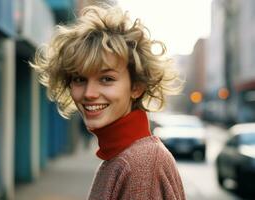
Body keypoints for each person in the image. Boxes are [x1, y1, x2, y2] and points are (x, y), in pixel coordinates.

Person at [31, 4, 185, 200]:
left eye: (106, 79)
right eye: (79, 79)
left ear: (136, 87)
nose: (89, 93)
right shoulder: (122, 157)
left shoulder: (140, 165)